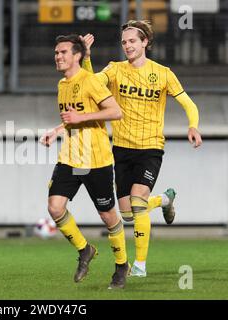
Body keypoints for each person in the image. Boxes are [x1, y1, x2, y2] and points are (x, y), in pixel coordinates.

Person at [80, 20, 202, 277]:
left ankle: (140, 265)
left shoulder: (164, 73)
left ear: (145, 42)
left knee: (137, 203)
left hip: (150, 148)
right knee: (127, 215)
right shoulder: (114, 70)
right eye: (124, 42)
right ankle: (165, 200)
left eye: (132, 41)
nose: (127, 46)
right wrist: (87, 58)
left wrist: (193, 126)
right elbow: (90, 85)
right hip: (122, 149)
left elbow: (188, 103)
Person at [39, 34, 129, 289]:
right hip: (71, 157)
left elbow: (115, 111)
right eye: (56, 52)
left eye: (63, 52)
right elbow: (72, 118)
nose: (58, 56)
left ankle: (121, 265)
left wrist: (82, 117)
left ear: (77, 55)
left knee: (107, 215)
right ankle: (84, 249)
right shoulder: (62, 85)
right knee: (55, 207)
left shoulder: (90, 81)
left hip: (96, 158)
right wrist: (56, 130)